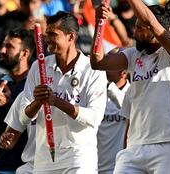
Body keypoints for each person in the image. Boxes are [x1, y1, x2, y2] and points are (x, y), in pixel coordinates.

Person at [91, 0, 170, 174]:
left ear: (155, 32)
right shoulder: (133, 54)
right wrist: (99, 25)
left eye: (139, 28)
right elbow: (98, 62)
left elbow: (149, 20)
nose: (134, 32)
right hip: (135, 147)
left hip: (169, 145)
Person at [19, 11, 107, 173]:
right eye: (46, 35)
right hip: (44, 158)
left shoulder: (93, 69)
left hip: (79, 158)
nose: (47, 40)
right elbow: (23, 117)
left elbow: (94, 118)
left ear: (71, 37)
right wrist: (38, 101)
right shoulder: (39, 66)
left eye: (53, 34)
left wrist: (56, 101)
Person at [0, 28, 34, 174]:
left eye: (9, 47)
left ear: (24, 54)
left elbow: (36, 119)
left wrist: (8, 103)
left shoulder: (37, 85)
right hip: (0, 166)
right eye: (3, 45)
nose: (2, 50)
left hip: (30, 166)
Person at [97, 59, 130, 174]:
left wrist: (109, 87)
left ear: (124, 72)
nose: (106, 67)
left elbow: (131, 110)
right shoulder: (97, 93)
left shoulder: (133, 93)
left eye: (111, 65)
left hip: (122, 167)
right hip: (96, 167)